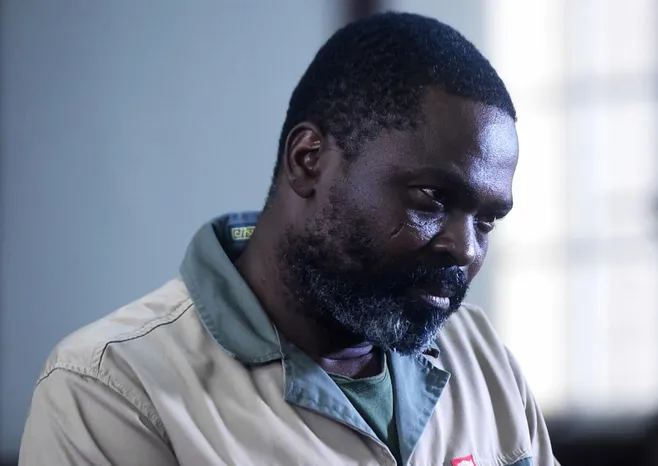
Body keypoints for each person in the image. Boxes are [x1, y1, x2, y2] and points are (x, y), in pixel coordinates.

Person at [19, 12, 559, 466]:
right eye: (431, 198)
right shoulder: (112, 389)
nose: (466, 250)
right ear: (308, 160)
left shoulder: (481, 357)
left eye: (487, 221)